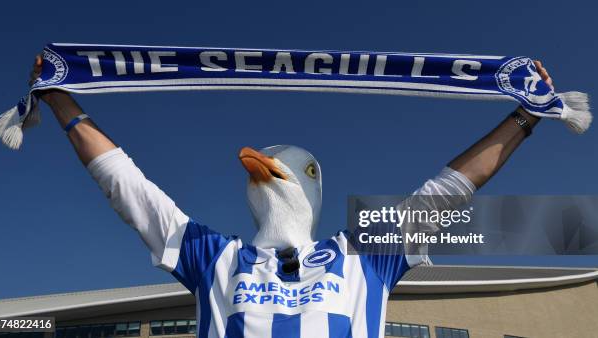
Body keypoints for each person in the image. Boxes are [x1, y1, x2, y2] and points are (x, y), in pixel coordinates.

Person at [29, 55, 553, 338]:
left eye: (292, 169)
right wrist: (60, 101)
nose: (264, 166)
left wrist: (526, 116)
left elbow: (449, 190)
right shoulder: (216, 258)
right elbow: (128, 188)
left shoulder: (364, 253)